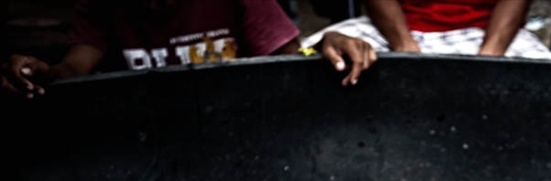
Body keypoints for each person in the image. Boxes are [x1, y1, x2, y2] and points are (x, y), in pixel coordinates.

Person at [1, 0, 378, 99]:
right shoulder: (104, 6)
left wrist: (324, 45)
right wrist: (39, 72)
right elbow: (72, 72)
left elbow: (291, 62)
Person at [302, 0, 551, 59]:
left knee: (547, 81)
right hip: (395, 27)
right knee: (309, 55)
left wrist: (490, 55)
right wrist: (403, 45)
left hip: (487, 32)